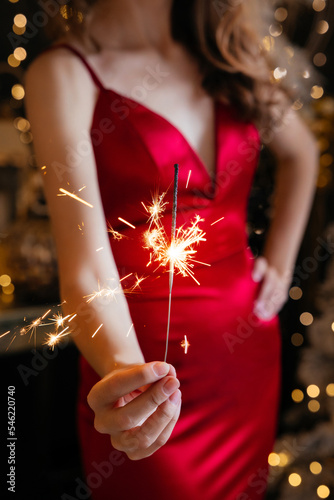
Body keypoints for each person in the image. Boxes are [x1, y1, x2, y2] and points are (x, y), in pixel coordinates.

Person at [25, 0, 318, 498]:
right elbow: (87, 274)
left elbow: (302, 154)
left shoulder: (226, 52)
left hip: (248, 362)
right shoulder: (64, 74)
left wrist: (281, 261)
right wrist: (128, 378)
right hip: (145, 374)